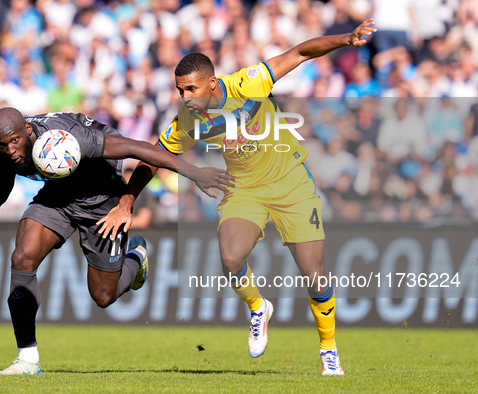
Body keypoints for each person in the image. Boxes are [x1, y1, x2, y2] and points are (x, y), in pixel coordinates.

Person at [99, 19, 377, 376]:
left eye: (190, 89)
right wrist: (127, 201)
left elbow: (302, 52)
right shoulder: (189, 118)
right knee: (231, 258)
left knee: (314, 273)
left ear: (212, 83)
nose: (185, 98)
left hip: (291, 183)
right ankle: (259, 308)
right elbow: (155, 158)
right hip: (243, 188)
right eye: (180, 91)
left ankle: (328, 350)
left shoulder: (250, 82)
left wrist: (346, 39)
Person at [0, 107, 232, 375]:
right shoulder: (1, 158)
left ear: (28, 131)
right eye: (2, 144)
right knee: (22, 257)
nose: (10, 149)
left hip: (102, 197)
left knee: (103, 296)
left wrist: (194, 172)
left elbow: (137, 148)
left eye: (15, 141)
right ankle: (27, 359)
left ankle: (136, 257)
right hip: (59, 195)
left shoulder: (72, 138)